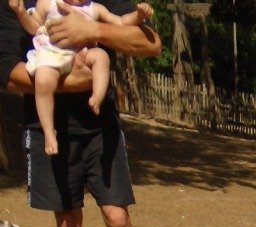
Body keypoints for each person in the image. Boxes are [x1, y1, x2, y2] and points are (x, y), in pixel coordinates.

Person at [0, 0, 161, 227]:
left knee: (117, 216)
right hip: (47, 130)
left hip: (100, 127)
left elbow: (150, 43)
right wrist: (77, 80)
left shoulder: (93, 3)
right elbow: (12, 77)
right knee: (67, 219)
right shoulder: (21, 4)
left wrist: (94, 31)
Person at [9, 0, 153, 157]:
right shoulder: (47, 3)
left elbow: (121, 21)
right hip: (53, 54)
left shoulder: (95, 8)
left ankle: (97, 96)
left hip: (83, 53)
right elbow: (34, 28)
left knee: (102, 57)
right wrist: (21, 12)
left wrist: (138, 16)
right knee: (43, 80)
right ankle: (49, 130)